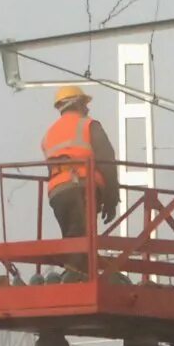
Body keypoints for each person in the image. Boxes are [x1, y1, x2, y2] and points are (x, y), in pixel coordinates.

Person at [41, 83, 119, 278]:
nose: (87, 108)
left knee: (72, 236)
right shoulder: (89, 125)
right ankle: (76, 278)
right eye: (85, 103)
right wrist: (112, 198)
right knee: (82, 238)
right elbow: (107, 159)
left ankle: (76, 276)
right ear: (78, 104)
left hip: (57, 191)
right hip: (81, 187)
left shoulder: (49, 134)